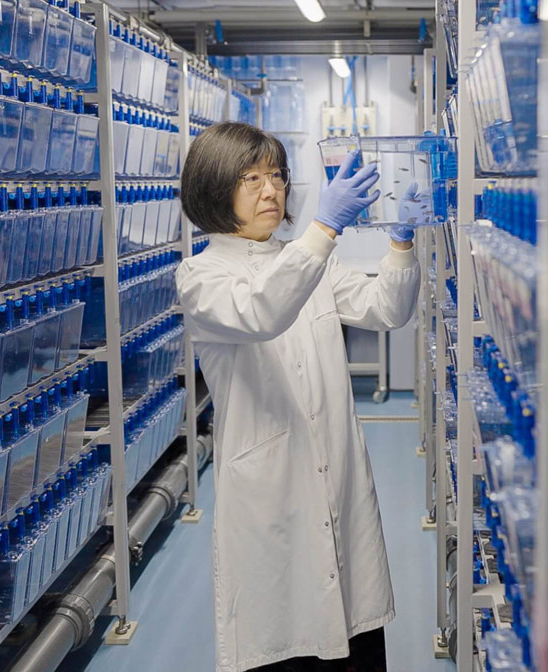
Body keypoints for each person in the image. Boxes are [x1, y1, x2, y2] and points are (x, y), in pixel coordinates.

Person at [175, 122, 421, 672]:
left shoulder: (311, 261)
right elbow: (263, 309)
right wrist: (325, 227)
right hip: (270, 501)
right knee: (286, 647)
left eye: (277, 176)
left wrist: (401, 240)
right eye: (251, 178)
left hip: (338, 478)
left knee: (355, 643)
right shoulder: (200, 276)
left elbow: (387, 309)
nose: (271, 190)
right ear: (215, 190)